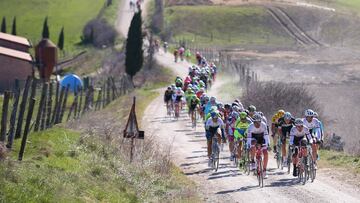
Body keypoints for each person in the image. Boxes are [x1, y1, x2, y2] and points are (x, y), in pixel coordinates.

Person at [247, 113, 270, 178]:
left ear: (261, 121)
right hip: (253, 137)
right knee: (253, 144)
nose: (257, 124)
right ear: (253, 122)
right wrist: (248, 145)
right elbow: (248, 138)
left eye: (259, 122)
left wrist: (268, 145)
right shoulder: (250, 126)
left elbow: (266, 136)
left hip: (261, 137)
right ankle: (253, 161)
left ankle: (264, 170)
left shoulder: (263, 125)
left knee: (266, 153)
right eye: (255, 122)